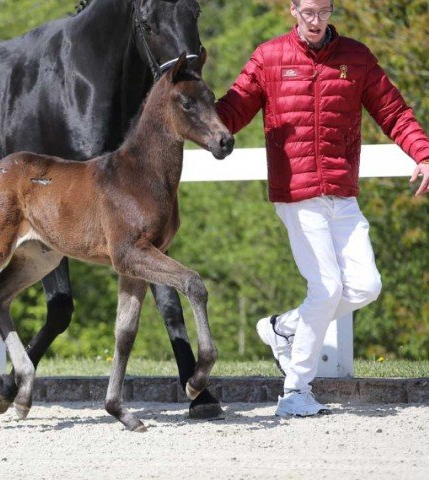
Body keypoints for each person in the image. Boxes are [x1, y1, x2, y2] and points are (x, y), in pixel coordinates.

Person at [216, 0, 429, 417]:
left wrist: (423, 154)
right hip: (296, 194)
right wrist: (187, 104)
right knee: (327, 288)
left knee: (366, 286)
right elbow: (231, 110)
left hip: (342, 192)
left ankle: (284, 327)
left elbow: (394, 111)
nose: (316, 22)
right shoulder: (269, 57)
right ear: (292, 10)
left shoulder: (356, 58)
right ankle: (295, 392)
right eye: (308, 12)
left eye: (324, 13)